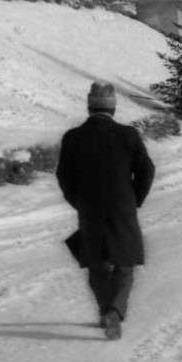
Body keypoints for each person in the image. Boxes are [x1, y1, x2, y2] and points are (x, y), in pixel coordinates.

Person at [56, 81, 155, 340]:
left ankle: (105, 311)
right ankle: (114, 311)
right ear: (113, 108)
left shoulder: (73, 138)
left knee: (97, 264)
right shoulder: (128, 135)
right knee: (125, 264)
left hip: (90, 207)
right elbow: (146, 170)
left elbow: (64, 176)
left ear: (89, 107)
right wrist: (135, 199)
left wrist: (78, 201)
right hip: (122, 205)